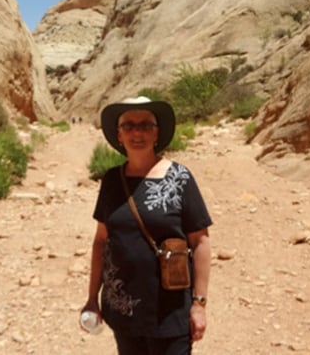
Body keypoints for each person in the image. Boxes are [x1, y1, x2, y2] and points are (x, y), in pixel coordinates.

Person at [82, 96, 213, 354]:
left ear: (157, 133)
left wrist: (199, 304)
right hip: (124, 309)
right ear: (119, 135)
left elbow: (200, 242)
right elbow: (101, 241)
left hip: (171, 310)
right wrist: (91, 299)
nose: (137, 132)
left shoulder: (179, 178)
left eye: (145, 125)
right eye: (128, 126)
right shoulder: (111, 180)